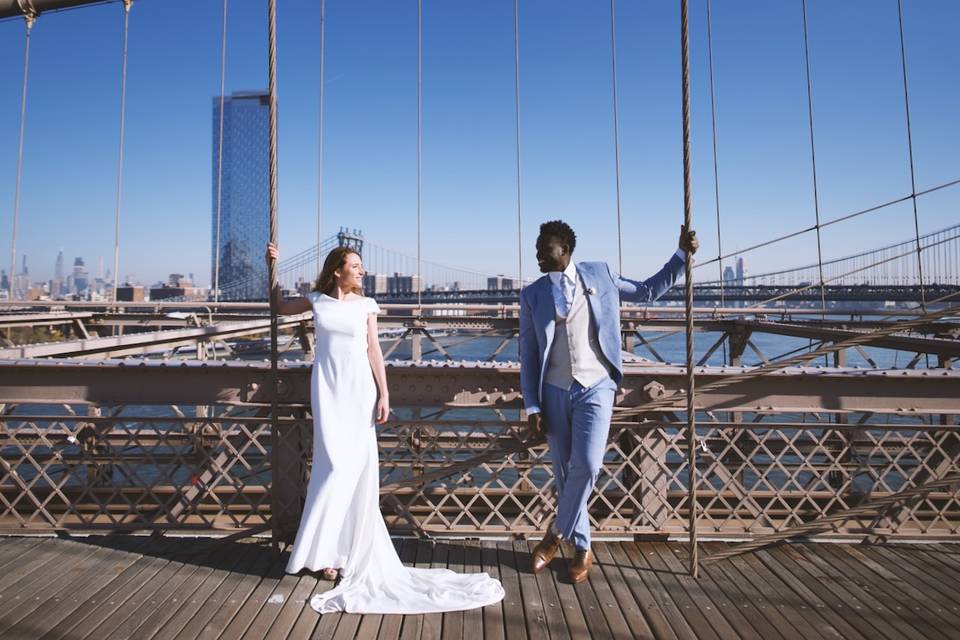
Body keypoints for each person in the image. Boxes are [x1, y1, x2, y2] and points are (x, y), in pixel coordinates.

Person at [267, 242, 504, 614]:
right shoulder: (317, 301)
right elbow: (278, 308)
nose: (361, 271)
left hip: (359, 391)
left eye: (361, 265)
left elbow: (374, 350)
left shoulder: (366, 305)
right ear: (337, 271)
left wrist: (384, 394)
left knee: (350, 471)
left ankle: (337, 552)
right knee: (332, 469)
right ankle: (328, 552)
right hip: (327, 391)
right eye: (355, 266)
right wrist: (273, 268)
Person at [518, 220, 699, 583]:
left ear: (565, 250)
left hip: (596, 386)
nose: (538, 253)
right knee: (566, 474)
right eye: (537, 247)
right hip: (554, 391)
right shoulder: (532, 294)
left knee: (587, 465)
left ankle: (555, 534)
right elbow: (529, 354)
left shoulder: (599, 274)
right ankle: (583, 548)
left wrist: (681, 256)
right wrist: (533, 406)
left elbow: (647, 291)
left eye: (545, 247)